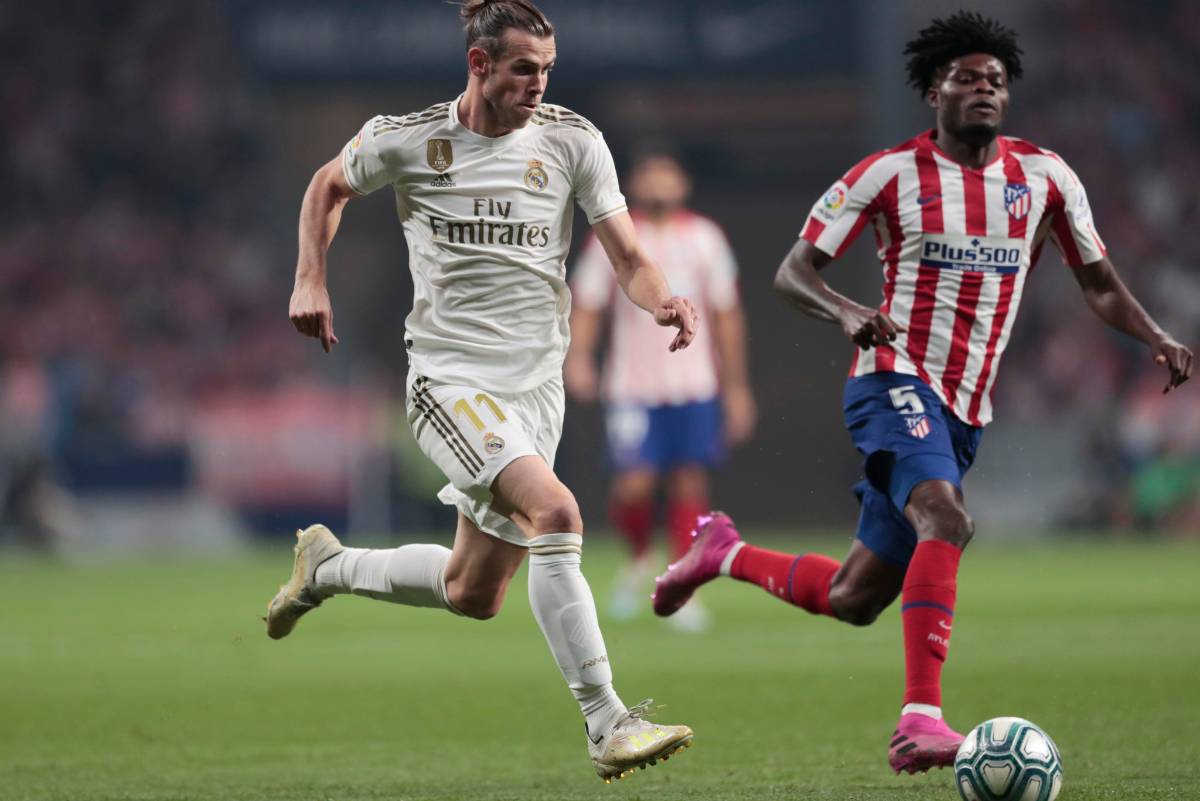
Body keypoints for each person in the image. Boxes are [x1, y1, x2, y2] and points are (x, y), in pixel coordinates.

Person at [651, 10, 1192, 776]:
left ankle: (724, 552)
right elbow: (793, 271)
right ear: (934, 90)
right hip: (892, 379)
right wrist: (846, 311)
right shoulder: (888, 173)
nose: (984, 89)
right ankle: (920, 719)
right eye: (966, 78)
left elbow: (1098, 283)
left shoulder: (1045, 178)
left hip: (966, 410)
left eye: (995, 80)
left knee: (856, 596)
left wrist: (1155, 334)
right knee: (947, 515)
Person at [266, 0, 699, 783]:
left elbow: (630, 257)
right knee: (557, 513)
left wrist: (661, 297)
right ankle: (608, 722)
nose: (539, 84)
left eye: (547, 70)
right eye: (524, 69)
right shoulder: (411, 139)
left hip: (535, 389)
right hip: (449, 380)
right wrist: (309, 278)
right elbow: (327, 186)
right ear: (480, 64)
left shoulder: (573, 142)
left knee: (474, 590)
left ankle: (326, 567)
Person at [564, 151, 755, 630]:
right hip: (632, 385)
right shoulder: (616, 235)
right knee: (634, 482)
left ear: (683, 184)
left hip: (694, 382)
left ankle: (681, 581)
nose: (658, 185)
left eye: (666, 176)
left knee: (689, 479)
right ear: (633, 183)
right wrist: (579, 355)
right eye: (649, 176)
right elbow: (588, 302)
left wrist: (736, 387)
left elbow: (726, 312)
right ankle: (639, 558)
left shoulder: (706, 237)